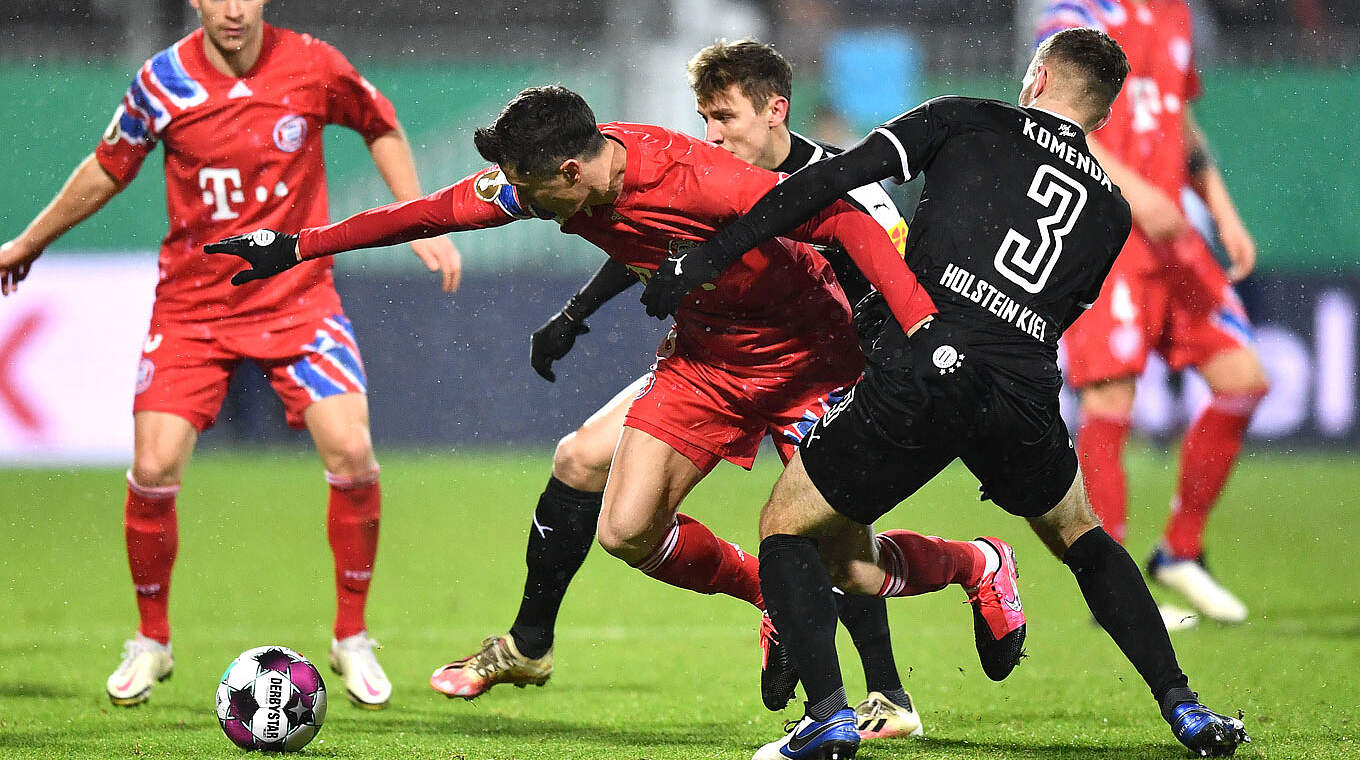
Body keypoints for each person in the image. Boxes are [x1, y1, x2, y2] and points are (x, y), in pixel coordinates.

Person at [207, 86, 1021, 738]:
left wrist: (919, 325)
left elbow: (840, 214)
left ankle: (978, 564)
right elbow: (431, 211)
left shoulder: (698, 176)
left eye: (527, 187)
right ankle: (765, 599)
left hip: (807, 358)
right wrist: (299, 245)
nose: (514, 201)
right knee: (626, 528)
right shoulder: (555, 181)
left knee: (850, 568)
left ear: (569, 169)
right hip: (706, 362)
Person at [640, 28, 1249, 760]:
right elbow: (1057, 310)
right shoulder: (1112, 210)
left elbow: (832, 182)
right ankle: (1183, 706)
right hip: (1020, 390)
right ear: (1104, 115)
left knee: (787, 526)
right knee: (1082, 537)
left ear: (1038, 75)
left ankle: (831, 717)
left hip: (926, 366)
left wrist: (713, 253)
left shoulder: (967, 116)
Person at [430, 40, 921, 740]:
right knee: (579, 461)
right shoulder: (711, 172)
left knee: (830, 540)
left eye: (724, 118)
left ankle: (891, 689)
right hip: (715, 363)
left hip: (818, 363)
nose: (712, 134)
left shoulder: (841, 180)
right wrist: (575, 315)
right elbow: (650, 244)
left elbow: (892, 261)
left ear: (776, 110)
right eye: (705, 118)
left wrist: (896, 351)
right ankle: (530, 643)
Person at [0, 0, 461, 709]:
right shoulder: (162, 83)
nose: (234, 9)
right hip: (193, 309)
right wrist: (29, 241)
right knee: (152, 465)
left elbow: (382, 123)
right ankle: (151, 640)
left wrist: (419, 216)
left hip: (297, 302)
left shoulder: (313, 64)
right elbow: (107, 168)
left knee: (352, 451)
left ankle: (351, 635)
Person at [1036, 0, 1269, 628]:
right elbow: (1052, 117)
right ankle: (1114, 594)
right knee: (1110, 402)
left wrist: (1221, 209)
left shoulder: (1175, 13)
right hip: (1105, 232)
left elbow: (1176, 114)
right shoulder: (1077, 12)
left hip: (1173, 238)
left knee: (1244, 379)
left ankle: (1179, 551)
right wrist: (1134, 192)